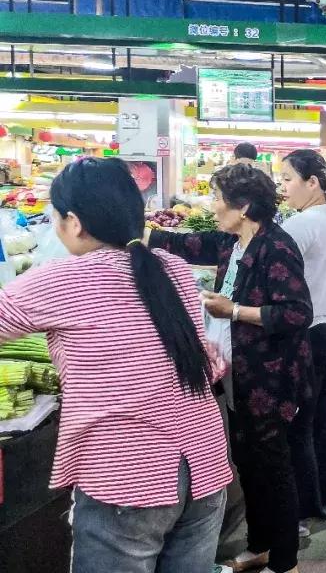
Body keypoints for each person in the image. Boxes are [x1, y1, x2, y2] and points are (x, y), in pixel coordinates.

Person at [0, 158, 231, 573]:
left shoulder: (61, 278)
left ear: (73, 221)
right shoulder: (173, 269)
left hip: (127, 475)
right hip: (203, 464)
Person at [151, 162, 313, 573]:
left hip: (270, 378)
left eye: (218, 200)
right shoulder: (232, 244)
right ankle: (260, 545)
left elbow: (297, 313)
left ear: (243, 207)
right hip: (238, 375)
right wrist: (137, 234)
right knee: (249, 463)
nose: (212, 206)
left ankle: (285, 560)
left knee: (273, 466)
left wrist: (235, 310)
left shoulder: (276, 246)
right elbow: (188, 244)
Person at [279, 150, 326, 525]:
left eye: (288, 179)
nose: (283, 187)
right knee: (324, 417)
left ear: (312, 182)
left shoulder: (304, 223)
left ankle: (309, 503)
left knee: (301, 423)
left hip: (311, 334)